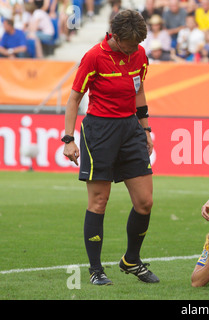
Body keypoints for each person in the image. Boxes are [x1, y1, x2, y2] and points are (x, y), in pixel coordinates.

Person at [62, 9, 159, 286]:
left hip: (131, 129)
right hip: (100, 131)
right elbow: (73, 99)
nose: (135, 49)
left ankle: (131, 260)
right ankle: (96, 270)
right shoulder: (94, 57)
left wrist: (146, 129)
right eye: (130, 44)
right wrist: (68, 139)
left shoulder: (139, 55)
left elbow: (138, 90)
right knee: (99, 202)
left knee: (145, 202)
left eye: (139, 44)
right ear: (115, 37)